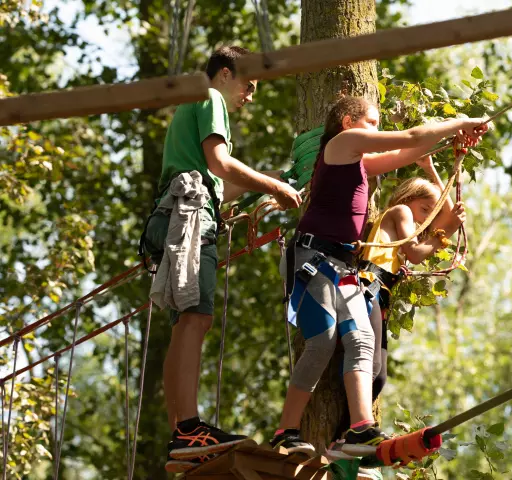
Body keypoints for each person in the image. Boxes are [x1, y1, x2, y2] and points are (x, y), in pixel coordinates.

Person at [270, 95, 488, 455]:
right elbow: (411, 135)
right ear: (347, 121)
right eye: (372, 122)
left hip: (343, 265)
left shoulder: (360, 163)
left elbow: (413, 148)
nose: (376, 129)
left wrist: (451, 142)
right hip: (314, 256)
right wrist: (463, 119)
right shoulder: (341, 144)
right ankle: (286, 430)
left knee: (360, 340)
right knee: (323, 341)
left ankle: (360, 428)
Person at [142, 45, 302, 473]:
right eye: (249, 85)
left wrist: (271, 186)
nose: (251, 95)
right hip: (189, 219)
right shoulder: (211, 98)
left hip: (176, 216)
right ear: (226, 74)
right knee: (196, 319)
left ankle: (182, 433)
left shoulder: (191, 106)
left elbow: (219, 185)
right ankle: (190, 429)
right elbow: (220, 162)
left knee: (186, 322)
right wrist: (273, 186)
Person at [327, 155, 467, 460]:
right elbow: (416, 252)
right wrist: (442, 232)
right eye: (424, 210)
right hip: (366, 286)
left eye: (430, 213)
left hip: (380, 293)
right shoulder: (401, 211)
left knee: (378, 376)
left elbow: (447, 215)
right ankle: (356, 429)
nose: (426, 219)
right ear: (409, 199)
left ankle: (343, 438)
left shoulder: (404, 221)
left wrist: (431, 169)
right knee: (369, 364)